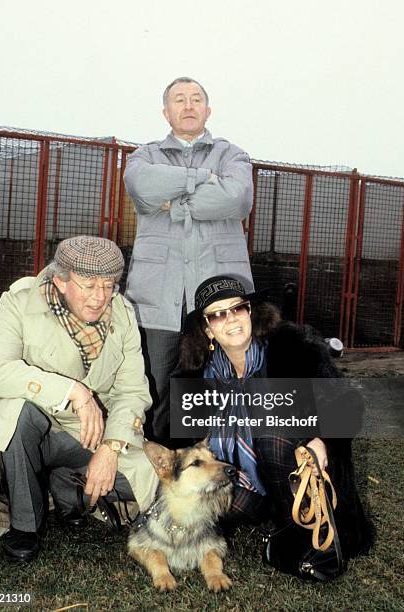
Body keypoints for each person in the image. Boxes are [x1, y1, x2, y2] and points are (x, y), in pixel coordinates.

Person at [0, 236, 158, 562]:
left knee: (149, 481)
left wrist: (111, 447)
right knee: (16, 411)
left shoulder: (123, 313)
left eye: (109, 285)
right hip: (31, 425)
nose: (100, 298)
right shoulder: (20, 301)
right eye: (88, 285)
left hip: (89, 433)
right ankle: (24, 527)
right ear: (61, 281)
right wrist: (73, 392)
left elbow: (132, 391)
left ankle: (65, 486)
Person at [175, 275, 373, 570]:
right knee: (212, 506)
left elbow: (349, 406)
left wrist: (323, 440)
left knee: (270, 432)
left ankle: (310, 534)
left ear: (251, 312)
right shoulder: (199, 375)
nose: (231, 320)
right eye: (218, 314)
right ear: (208, 330)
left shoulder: (290, 348)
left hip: (299, 468)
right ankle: (278, 516)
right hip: (248, 479)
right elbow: (184, 441)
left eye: (237, 308)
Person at [124, 76, 254, 443]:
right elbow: (142, 187)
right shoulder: (144, 156)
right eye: (179, 100)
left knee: (219, 386)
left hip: (218, 297)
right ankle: (152, 471)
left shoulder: (232, 155)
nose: (188, 105)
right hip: (157, 297)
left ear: (207, 110)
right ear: (166, 112)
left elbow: (236, 198)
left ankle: (217, 466)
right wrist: (200, 178)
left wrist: (175, 203)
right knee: (154, 388)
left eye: (196, 99)